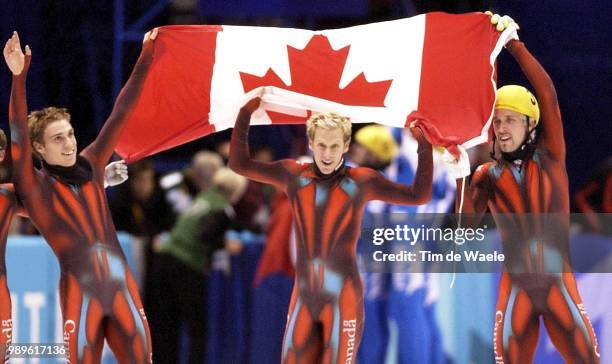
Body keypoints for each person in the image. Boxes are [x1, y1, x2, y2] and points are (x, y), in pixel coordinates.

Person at [229, 96, 433, 363]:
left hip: (343, 299)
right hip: (303, 299)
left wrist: (423, 145)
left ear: (346, 145)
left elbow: (419, 195)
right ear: (311, 143)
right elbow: (239, 165)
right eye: (322, 145)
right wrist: (244, 114)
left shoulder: (362, 181)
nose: (327, 154)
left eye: (335, 146)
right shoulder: (293, 175)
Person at [444, 14, 600, 363]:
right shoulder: (486, 174)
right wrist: (460, 176)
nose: (500, 127)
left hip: (559, 286)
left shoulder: (551, 157)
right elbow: (465, 228)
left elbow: (546, 92)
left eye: (510, 119)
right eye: (496, 121)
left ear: (531, 124)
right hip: (515, 292)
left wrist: (514, 45)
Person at [4, 28, 156, 363]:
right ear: (39, 148)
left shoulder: (93, 163)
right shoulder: (34, 188)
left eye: (70, 134)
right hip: (79, 295)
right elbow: (17, 135)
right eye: (58, 138)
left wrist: (148, 52)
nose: (70, 143)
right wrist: (18, 78)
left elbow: (121, 112)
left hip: (124, 291)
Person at [148, 167, 247, 364]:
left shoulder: (204, 197)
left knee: (167, 324)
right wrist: (225, 244)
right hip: (186, 266)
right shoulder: (222, 209)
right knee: (197, 328)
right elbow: (206, 235)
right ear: (236, 192)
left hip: (164, 259)